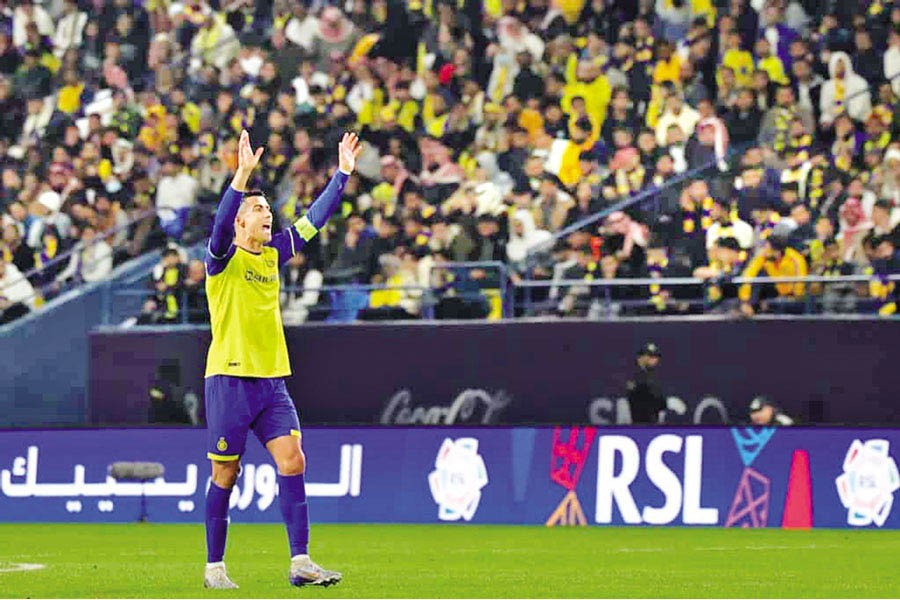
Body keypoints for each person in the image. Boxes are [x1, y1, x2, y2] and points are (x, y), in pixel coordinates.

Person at [202, 130, 361, 589]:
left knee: (293, 461)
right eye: (257, 209)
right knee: (225, 473)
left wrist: (343, 173)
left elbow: (314, 221)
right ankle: (215, 567)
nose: (266, 212)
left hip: (272, 382)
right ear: (239, 224)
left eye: (268, 208)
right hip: (229, 380)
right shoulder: (221, 260)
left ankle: (301, 562)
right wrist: (242, 175)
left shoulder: (275, 254)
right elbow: (217, 226)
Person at [626, 342, 665, 424]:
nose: (654, 359)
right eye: (650, 356)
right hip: (639, 423)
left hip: (653, 422)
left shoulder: (654, 376)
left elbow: (662, 403)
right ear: (640, 357)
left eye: (656, 356)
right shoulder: (633, 375)